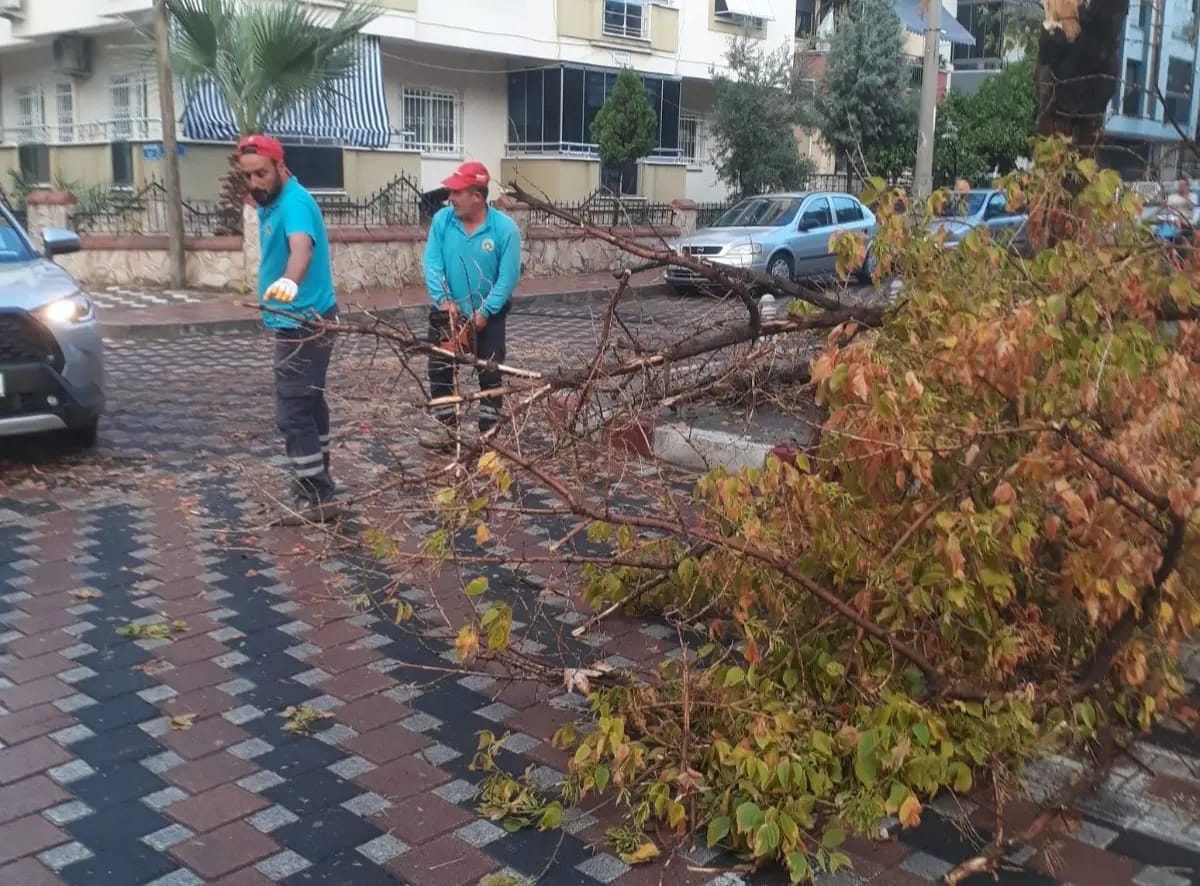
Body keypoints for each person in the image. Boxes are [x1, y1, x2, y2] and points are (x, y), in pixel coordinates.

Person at [236, 134, 339, 517]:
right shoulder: (274, 200)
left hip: (304, 322)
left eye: (261, 174)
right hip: (301, 318)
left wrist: (291, 280)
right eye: (248, 176)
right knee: (309, 402)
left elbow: (302, 249)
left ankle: (315, 495)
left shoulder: (294, 202)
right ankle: (318, 481)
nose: (254, 183)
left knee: (292, 409)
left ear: (281, 166)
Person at [420, 161, 521, 452]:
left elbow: (508, 276)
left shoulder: (505, 230)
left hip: (488, 315)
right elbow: (432, 262)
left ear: (477, 196)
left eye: (457, 191)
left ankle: (488, 436)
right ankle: (445, 430)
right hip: (448, 311)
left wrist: (486, 312)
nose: (450, 197)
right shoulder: (443, 220)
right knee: (439, 370)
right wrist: (444, 300)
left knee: (489, 373)